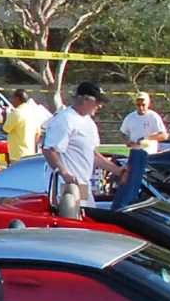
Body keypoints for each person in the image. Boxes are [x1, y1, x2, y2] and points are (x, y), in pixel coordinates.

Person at [42, 81, 120, 215]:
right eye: (97, 101)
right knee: (71, 223)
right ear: (86, 99)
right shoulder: (65, 119)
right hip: (67, 187)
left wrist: (117, 170)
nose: (100, 105)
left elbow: (92, 154)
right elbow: (49, 150)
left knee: (87, 219)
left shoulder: (89, 122)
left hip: (82, 184)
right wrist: (64, 173)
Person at [6, 91, 51, 167]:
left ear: (17, 98)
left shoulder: (17, 112)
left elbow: (6, 128)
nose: (12, 101)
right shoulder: (32, 112)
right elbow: (38, 133)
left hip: (17, 154)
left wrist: (5, 116)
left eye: (13, 98)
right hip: (30, 153)